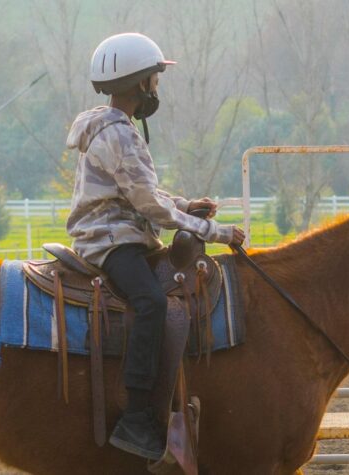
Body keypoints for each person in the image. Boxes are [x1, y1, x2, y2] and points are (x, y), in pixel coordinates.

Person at [66, 32, 244, 460]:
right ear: (138, 84)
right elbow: (149, 207)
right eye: (154, 79)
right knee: (150, 302)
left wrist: (184, 204)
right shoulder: (121, 135)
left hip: (116, 230)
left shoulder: (114, 128)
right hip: (111, 241)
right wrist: (217, 233)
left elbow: (140, 192)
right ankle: (137, 415)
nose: (156, 88)